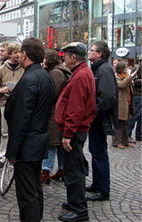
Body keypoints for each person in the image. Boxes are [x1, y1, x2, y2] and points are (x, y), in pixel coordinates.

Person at [5, 37, 55, 221]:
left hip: (28, 143)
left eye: (20, 53)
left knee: (27, 194)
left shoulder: (29, 79)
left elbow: (21, 119)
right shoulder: (45, 77)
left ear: (24, 55)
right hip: (38, 140)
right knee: (34, 189)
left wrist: (12, 152)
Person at [55, 42, 96, 221]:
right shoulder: (81, 72)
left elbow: (76, 109)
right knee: (73, 168)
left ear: (73, 58)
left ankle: (79, 209)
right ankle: (74, 202)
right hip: (75, 129)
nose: (63, 58)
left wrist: (68, 134)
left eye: (65, 55)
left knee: (73, 171)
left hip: (74, 130)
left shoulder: (80, 76)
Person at [86, 41, 118, 201]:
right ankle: (97, 184)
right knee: (96, 151)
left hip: (99, 119)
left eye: (92, 50)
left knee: (99, 153)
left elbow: (106, 98)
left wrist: (94, 114)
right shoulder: (99, 68)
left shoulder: (103, 70)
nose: (89, 53)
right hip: (97, 118)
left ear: (99, 54)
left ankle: (103, 189)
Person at [40, 49, 71, 184]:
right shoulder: (58, 71)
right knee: (57, 143)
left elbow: (53, 93)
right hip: (57, 111)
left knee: (52, 143)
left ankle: (46, 170)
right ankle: (62, 169)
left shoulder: (57, 73)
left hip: (55, 112)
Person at [0, 42, 24, 169]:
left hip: (20, 104)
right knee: (5, 132)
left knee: (18, 130)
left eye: (19, 52)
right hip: (5, 102)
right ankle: (3, 157)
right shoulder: (2, 69)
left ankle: (16, 155)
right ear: (10, 54)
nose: (18, 55)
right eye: (16, 52)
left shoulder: (23, 68)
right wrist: (1, 90)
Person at [112, 61, 136, 148]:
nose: (126, 69)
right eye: (125, 68)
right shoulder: (116, 77)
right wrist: (130, 77)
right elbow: (122, 85)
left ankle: (125, 141)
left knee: (126, 124)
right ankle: (116, 142)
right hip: (120, 104)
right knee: (119, 124)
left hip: (127, 103)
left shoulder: (126, 77)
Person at [128, 56, 142, 142]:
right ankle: (128, 134)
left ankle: (139, 135)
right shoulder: (137, 68)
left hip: (140, 94)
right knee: (135, 115)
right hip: (138, 94)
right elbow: (134, 81)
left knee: (140, 117)